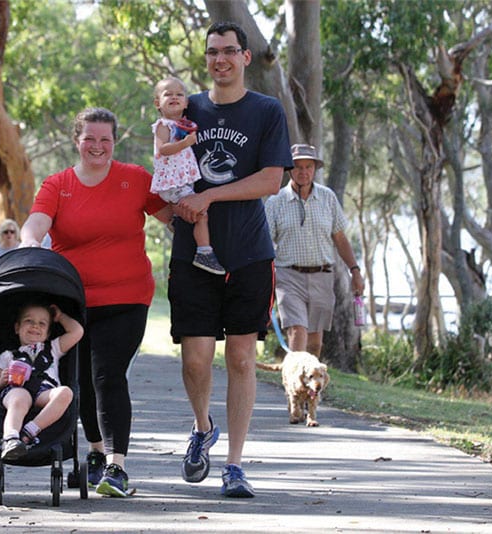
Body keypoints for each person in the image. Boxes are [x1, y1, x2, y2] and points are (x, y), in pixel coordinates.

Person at [168, 21, 293, 499]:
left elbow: (270, 180)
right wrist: (175, 206)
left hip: (248, 254)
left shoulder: (266, 110)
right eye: (212, 52)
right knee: (196, 358)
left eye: (229, 51)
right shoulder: (188, 107)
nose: (220, 59)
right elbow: (165, 162)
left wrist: (210, 197)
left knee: (241, 359)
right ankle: (202, 428)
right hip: (193, 255)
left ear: (244, 57)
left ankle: (235, 466)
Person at [19, 107, 171, 498]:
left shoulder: (135, 180)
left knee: (107, 375)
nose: (97, 147)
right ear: (77, 141)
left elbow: (172, 215)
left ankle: (117, 466)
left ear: (114, 142)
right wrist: (30, 243)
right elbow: (36, 222)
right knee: (81, 380)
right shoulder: (58, 184)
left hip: (127, 297)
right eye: (90, 139)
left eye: (105, 140)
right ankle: (97, 454)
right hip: (74, 302)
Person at [264, 144, 365, 356]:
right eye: (298, 167)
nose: (303, 172)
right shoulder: (276, 202)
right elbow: (265, 242)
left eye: (308, 166)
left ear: (314, 169)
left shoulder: (327, 198)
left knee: (315, 342)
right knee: (298, 330)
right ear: (289, 169)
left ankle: (311, 387)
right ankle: (294, 387)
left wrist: (354, 270)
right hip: (289, 276)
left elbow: (340, 237)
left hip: (322, 276)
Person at [151, 76, 224, 275]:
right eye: (168, 94)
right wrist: (185, 143)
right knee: (202, 214)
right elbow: (163, 149)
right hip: (171, 183)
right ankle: (204, 252)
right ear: (158, 103)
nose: (174, 97)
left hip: (181, 180)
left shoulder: (183, 124)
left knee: (193, 210)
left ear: (186, 102)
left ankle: (177, 220)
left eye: (179, 94)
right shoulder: (163, 126)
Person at [0, 300, 83, 462]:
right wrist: (2, 380)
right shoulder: (8, 355)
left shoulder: (53, 349)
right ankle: (11, 438)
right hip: (16, 390)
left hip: (44, 392)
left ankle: (29, 431)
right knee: (20, 397)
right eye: (29, 321)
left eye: (42, 324)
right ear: (17, 327)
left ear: (48, 333)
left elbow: (77, 331)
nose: (35, 326)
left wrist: (60, 316)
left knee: (65, 392)